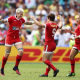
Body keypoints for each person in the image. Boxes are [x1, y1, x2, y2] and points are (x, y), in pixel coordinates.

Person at [0, 8, 34, 76]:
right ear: (17, 13)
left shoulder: (21, 19)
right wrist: (0, 19)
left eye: (22, 14)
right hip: (9, 37)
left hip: (17, 38)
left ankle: (16, 67)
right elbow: (4, 21)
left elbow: (26, 22)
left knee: (21, 51)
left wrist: (34, 22)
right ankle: (2, 69)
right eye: (20, 14)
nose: (21, 16)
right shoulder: (11, 18)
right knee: (7, 54)